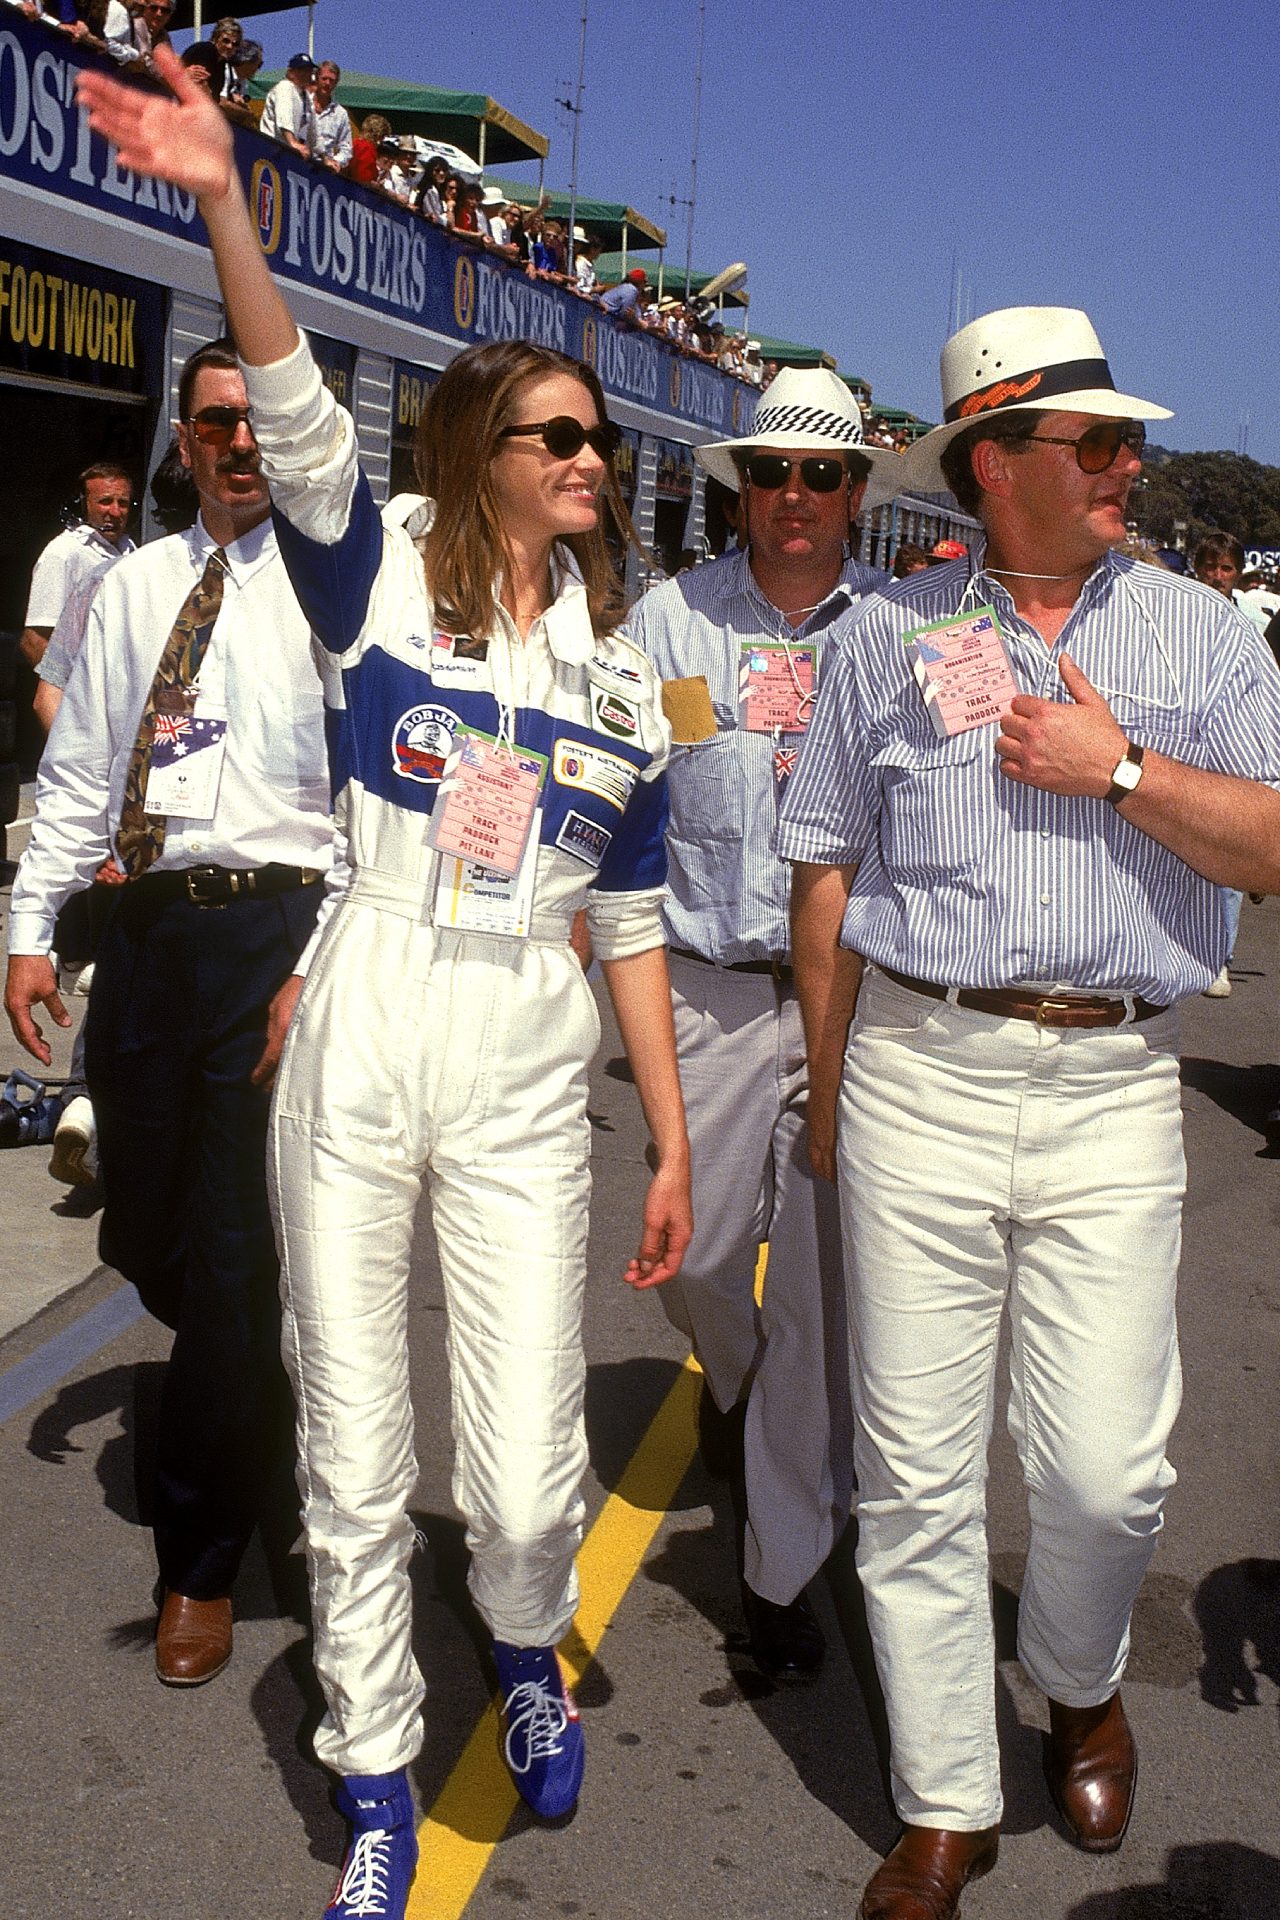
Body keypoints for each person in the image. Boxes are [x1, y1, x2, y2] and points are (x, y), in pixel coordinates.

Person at [74, 48, 692, 1920]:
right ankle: (367, 1770)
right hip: (363, 1010)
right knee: (351, 1438)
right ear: (480, 457)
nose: (590, 462)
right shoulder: (376, 584)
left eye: (600, 442)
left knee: (517, 1476)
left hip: (524, 1041)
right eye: (557, 438)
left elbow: (639, 918)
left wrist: (667, 1135)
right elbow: (287, 397)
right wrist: (221, 199)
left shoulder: (626, 675)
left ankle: (520, 1634)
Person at [777, 305, 1280, 1920]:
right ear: (996, 468)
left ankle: (1077, 1676)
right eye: (1100, 444)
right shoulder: (880, 640)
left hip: (1115, 1083)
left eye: (1131, 444)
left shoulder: (1208, 643)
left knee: (1103, 1475)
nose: (1131, 466)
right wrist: (830, 1077)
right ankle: (943, 1795)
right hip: (922, 1068)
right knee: (914, 1472)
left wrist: (1119, 768)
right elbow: (827, 860)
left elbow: (1273, 847)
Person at [5, 333, 334, 1696]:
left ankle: (201, 1556)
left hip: (282, 932)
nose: (239, 442)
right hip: (147, 934)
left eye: (259, 420)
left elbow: (376, 784)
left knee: (239, 1254)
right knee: (146, 1230)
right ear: (186, 440)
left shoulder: (342, 588)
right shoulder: (137, 587)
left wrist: (326, 953)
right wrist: (28, 934)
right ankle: (254, 1388)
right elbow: (79, 770)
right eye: (215, 423)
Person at [626, 368, 901, 1680]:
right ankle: (728, 1392)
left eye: (824, 475)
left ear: (856, 489)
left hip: (856, 999)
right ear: (742, 484)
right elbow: (613, 810)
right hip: (707, 996)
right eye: (773, 474)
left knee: (820, 1291)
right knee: (695, 1265)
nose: (796, 499)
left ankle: (782, 1567)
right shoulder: (664, 625)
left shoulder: (908, 636)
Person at [1192, 531, 1249, 995]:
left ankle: (1219, 959)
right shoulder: (1177, 613)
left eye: (1226, 568)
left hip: (1231, 750)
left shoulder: (1247, 626)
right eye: (1210, 566)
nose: (1217, 576)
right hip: (1185, 747)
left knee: (1228, 859)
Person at [20, 463, 135, 668]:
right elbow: (34, 642)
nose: (116, 512)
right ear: (82, 505)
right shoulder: (64, 553)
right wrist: (67, 693)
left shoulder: (130, 549)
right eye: (105, 501)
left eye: (123, 503)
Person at [260, 51, 317, 158]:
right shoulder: (285, 87)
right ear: (291, 73)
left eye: (309, 70)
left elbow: (312, 130)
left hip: (289, 154)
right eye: (302, 70)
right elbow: (284, 118)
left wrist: (323, 156)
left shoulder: (306, 97)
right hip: (272, 150)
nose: (306, 74)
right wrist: (293, 143)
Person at [311, 60, 352, 173]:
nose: (327, 83)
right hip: (299, 160)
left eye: (332, 80)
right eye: (324, 78)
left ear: (336, 83)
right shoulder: (303, 101)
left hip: (324, 171)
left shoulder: (340, 113)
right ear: (317, 78)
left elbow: (346, 148)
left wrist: (335, 161)